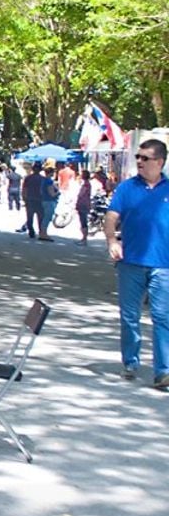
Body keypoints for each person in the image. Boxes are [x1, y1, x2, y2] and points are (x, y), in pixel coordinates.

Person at [103, 138, 169, 387]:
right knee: (129, 316)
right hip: (131, 261)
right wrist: (112, 240)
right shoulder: (127, 188)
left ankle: (163, 371)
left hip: (163, 265)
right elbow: (111, 217)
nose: (139, 161)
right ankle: (130, 362)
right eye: (137, 157)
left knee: (163, 317)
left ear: (159, 162)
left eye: (145, 158)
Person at [21, 163, 43, 237]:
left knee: (30, 217)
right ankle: (41, 231)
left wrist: (24, 197)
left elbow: (24, 189)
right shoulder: (42, 179)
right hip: (39, 199)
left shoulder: (28, 178)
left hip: (30, 199)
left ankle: (31, 231)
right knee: (40, 217)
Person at [38, 161, 58, 241]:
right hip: (49, 201)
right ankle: (44, 234)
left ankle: (42, 233)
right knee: (47, 218)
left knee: (45, 217)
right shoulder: (49, 181)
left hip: (44, 200)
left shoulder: (43, 180)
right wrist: (58, 192)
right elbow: (52, 194)